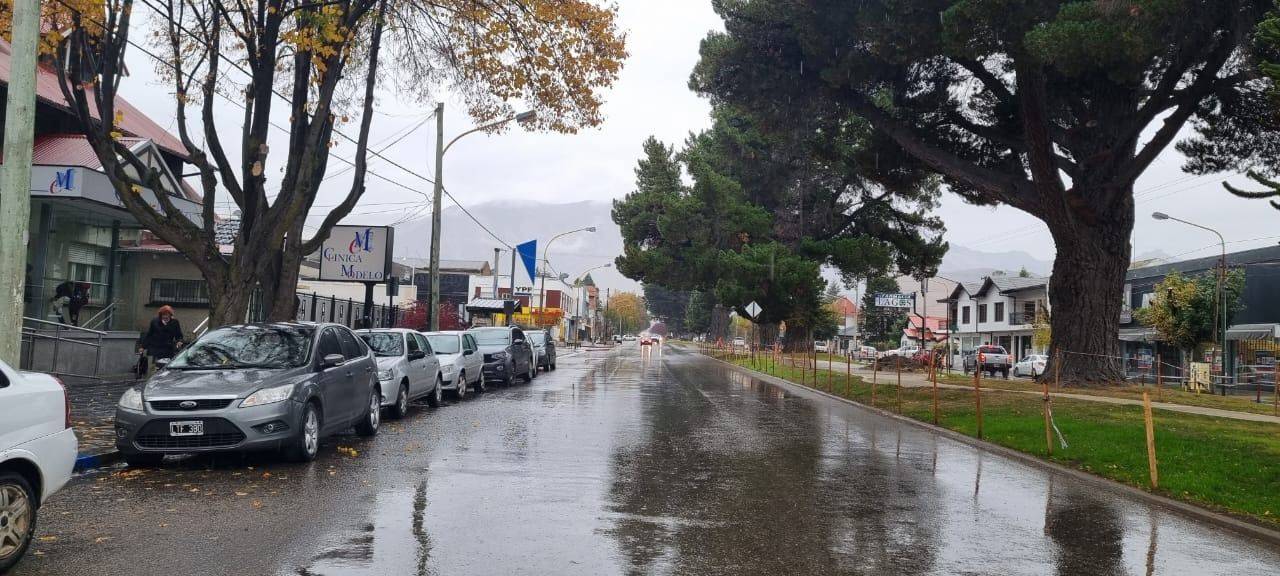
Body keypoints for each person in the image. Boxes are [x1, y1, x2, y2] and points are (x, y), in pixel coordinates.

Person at [137, 306, 185, 378]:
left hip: (167, 348)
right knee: (153, 368)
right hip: (154, 348)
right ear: (160, 315)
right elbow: (149, 335)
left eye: (167, 314)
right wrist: (143, 347)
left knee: (165, 367)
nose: (165, 316)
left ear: (170, 315)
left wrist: (179, 341)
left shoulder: (175, 322)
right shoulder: (155, 322)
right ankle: (151, 379)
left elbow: (179, 335)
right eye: (163, 314)